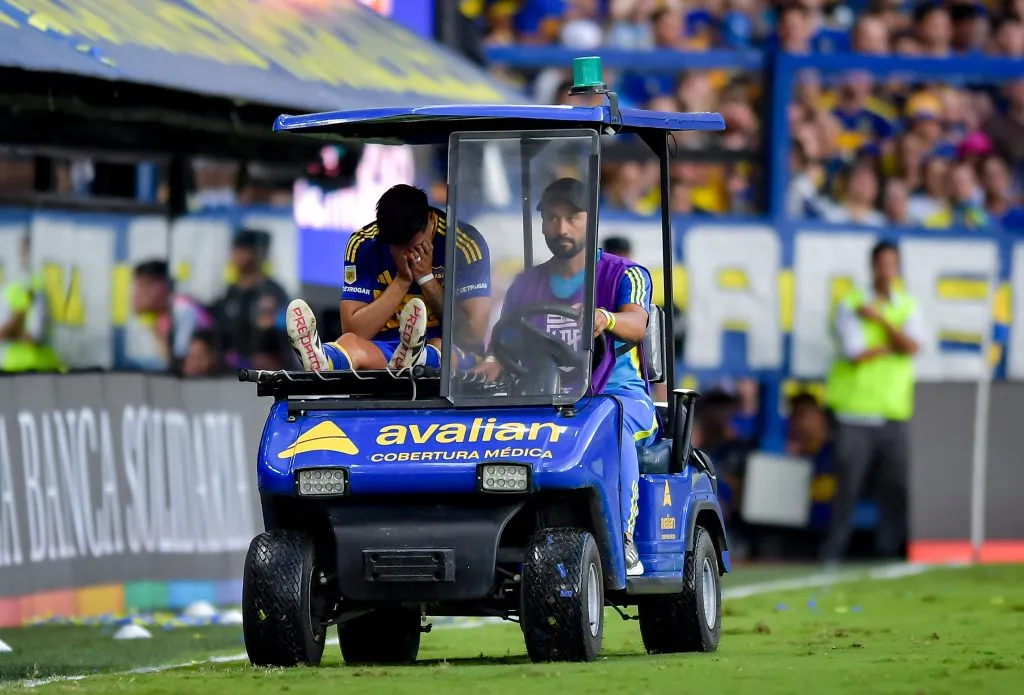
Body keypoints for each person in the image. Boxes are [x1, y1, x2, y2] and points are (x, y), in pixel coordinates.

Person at [474, 177, 658, 577]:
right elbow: (503, 343)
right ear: (541, 223)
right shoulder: (525, 283)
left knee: (611, 427)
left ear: (591, 220)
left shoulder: (626, 274)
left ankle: (623, 539)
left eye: (572, 218)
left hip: (618, 396)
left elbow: (638, 324)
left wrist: (606, 318)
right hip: (545, 399)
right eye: (552, 218)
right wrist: (484, 365)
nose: (561, 228)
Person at [286, 184, 491, 372]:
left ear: (430, 221)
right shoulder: (363, 243)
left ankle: (418, 356)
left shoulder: (464, 245)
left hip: (449, 352)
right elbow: (355, 330)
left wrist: (427, 279)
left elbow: (473, 336)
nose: (407, 256)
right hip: (385, 353)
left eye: (415, 247)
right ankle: (323, 358)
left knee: (439, 345)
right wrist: (401, 282)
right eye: (396, 249)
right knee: (350, 342)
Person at [821, 240, 922, 565]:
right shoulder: (851, 304)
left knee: (895, 487)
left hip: (893, 412)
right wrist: (895, 343)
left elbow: (914, 346)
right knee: (848, 488)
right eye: (882, 264)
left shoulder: (906, 305)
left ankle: (889, 553)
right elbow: (856, 353)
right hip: (855, 413)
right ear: (873, 267)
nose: (887, 270)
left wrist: (881, 321)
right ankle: (833, 552)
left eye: (892, 264)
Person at [212, 229, 289, 369]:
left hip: (269, 369)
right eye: (236, 250)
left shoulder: (272, 291)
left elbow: (286, 328)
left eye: (243, 250)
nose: (237, 255)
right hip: (233, 371)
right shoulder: (230, 293)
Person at [131, 259, 215, 372]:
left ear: (161, 286)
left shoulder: (183, 311)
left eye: (142, 286)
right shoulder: (158, 317)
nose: (136, 295)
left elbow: (178, 364)